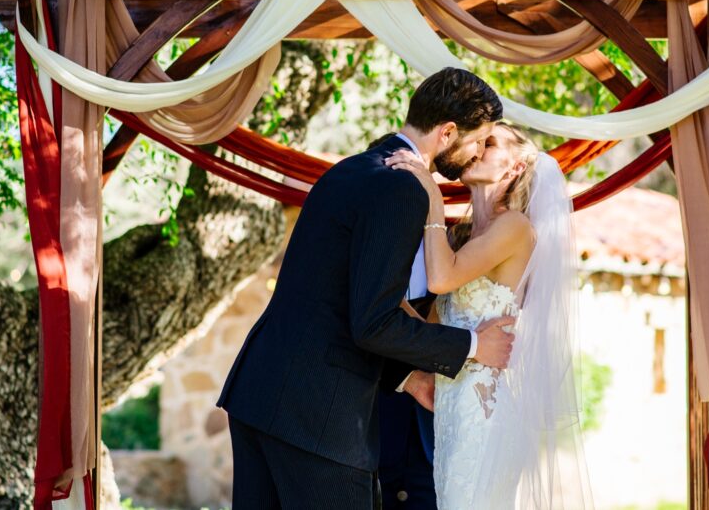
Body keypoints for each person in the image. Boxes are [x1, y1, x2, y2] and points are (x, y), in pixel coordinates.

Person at [216, 67, 516, 509]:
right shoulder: (403, 188)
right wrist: (473, 345)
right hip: (317, 418)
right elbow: (373, 321)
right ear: (448, 132)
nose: (474, 154)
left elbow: (343, 296)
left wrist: (409, 378)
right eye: (476, 141)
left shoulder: (354, 169)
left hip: (263, 396)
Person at [388, 122, 593, 510]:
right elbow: (427, 326)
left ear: (515, 167)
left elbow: (441, 277)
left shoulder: (515, 228)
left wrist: (432, 196)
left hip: (486, 411)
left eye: (490, 142)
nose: (476, 147)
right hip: (449, 409)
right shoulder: (457, 237)